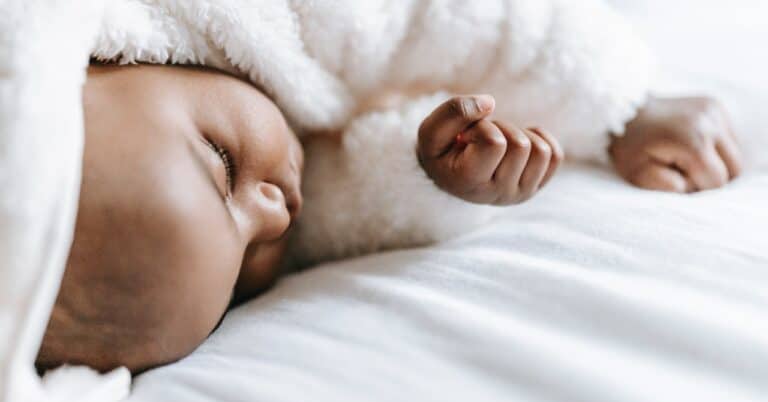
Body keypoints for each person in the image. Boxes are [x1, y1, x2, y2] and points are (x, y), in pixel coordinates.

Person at [37, 1, 743, 373]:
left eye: (222, 167)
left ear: (95, 58)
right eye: (239, 281)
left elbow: (453, 16)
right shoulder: (192, 147)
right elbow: (334, 212)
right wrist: (429, 173)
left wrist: (620, 107)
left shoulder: (254, 12)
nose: (279, 215)